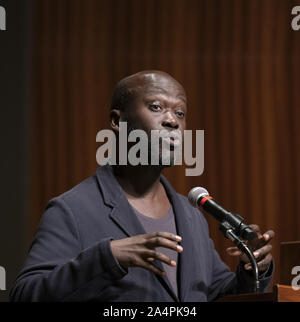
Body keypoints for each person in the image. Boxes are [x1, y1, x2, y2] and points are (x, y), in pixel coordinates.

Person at [10, 70, 274, 302]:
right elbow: (25, 294)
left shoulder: (191, 215)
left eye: (180, 113)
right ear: (117, 121)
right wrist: (106, 257)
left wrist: (252, 270)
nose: (172, 121)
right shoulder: (72, 210)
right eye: (156, 107)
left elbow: (213, 292)